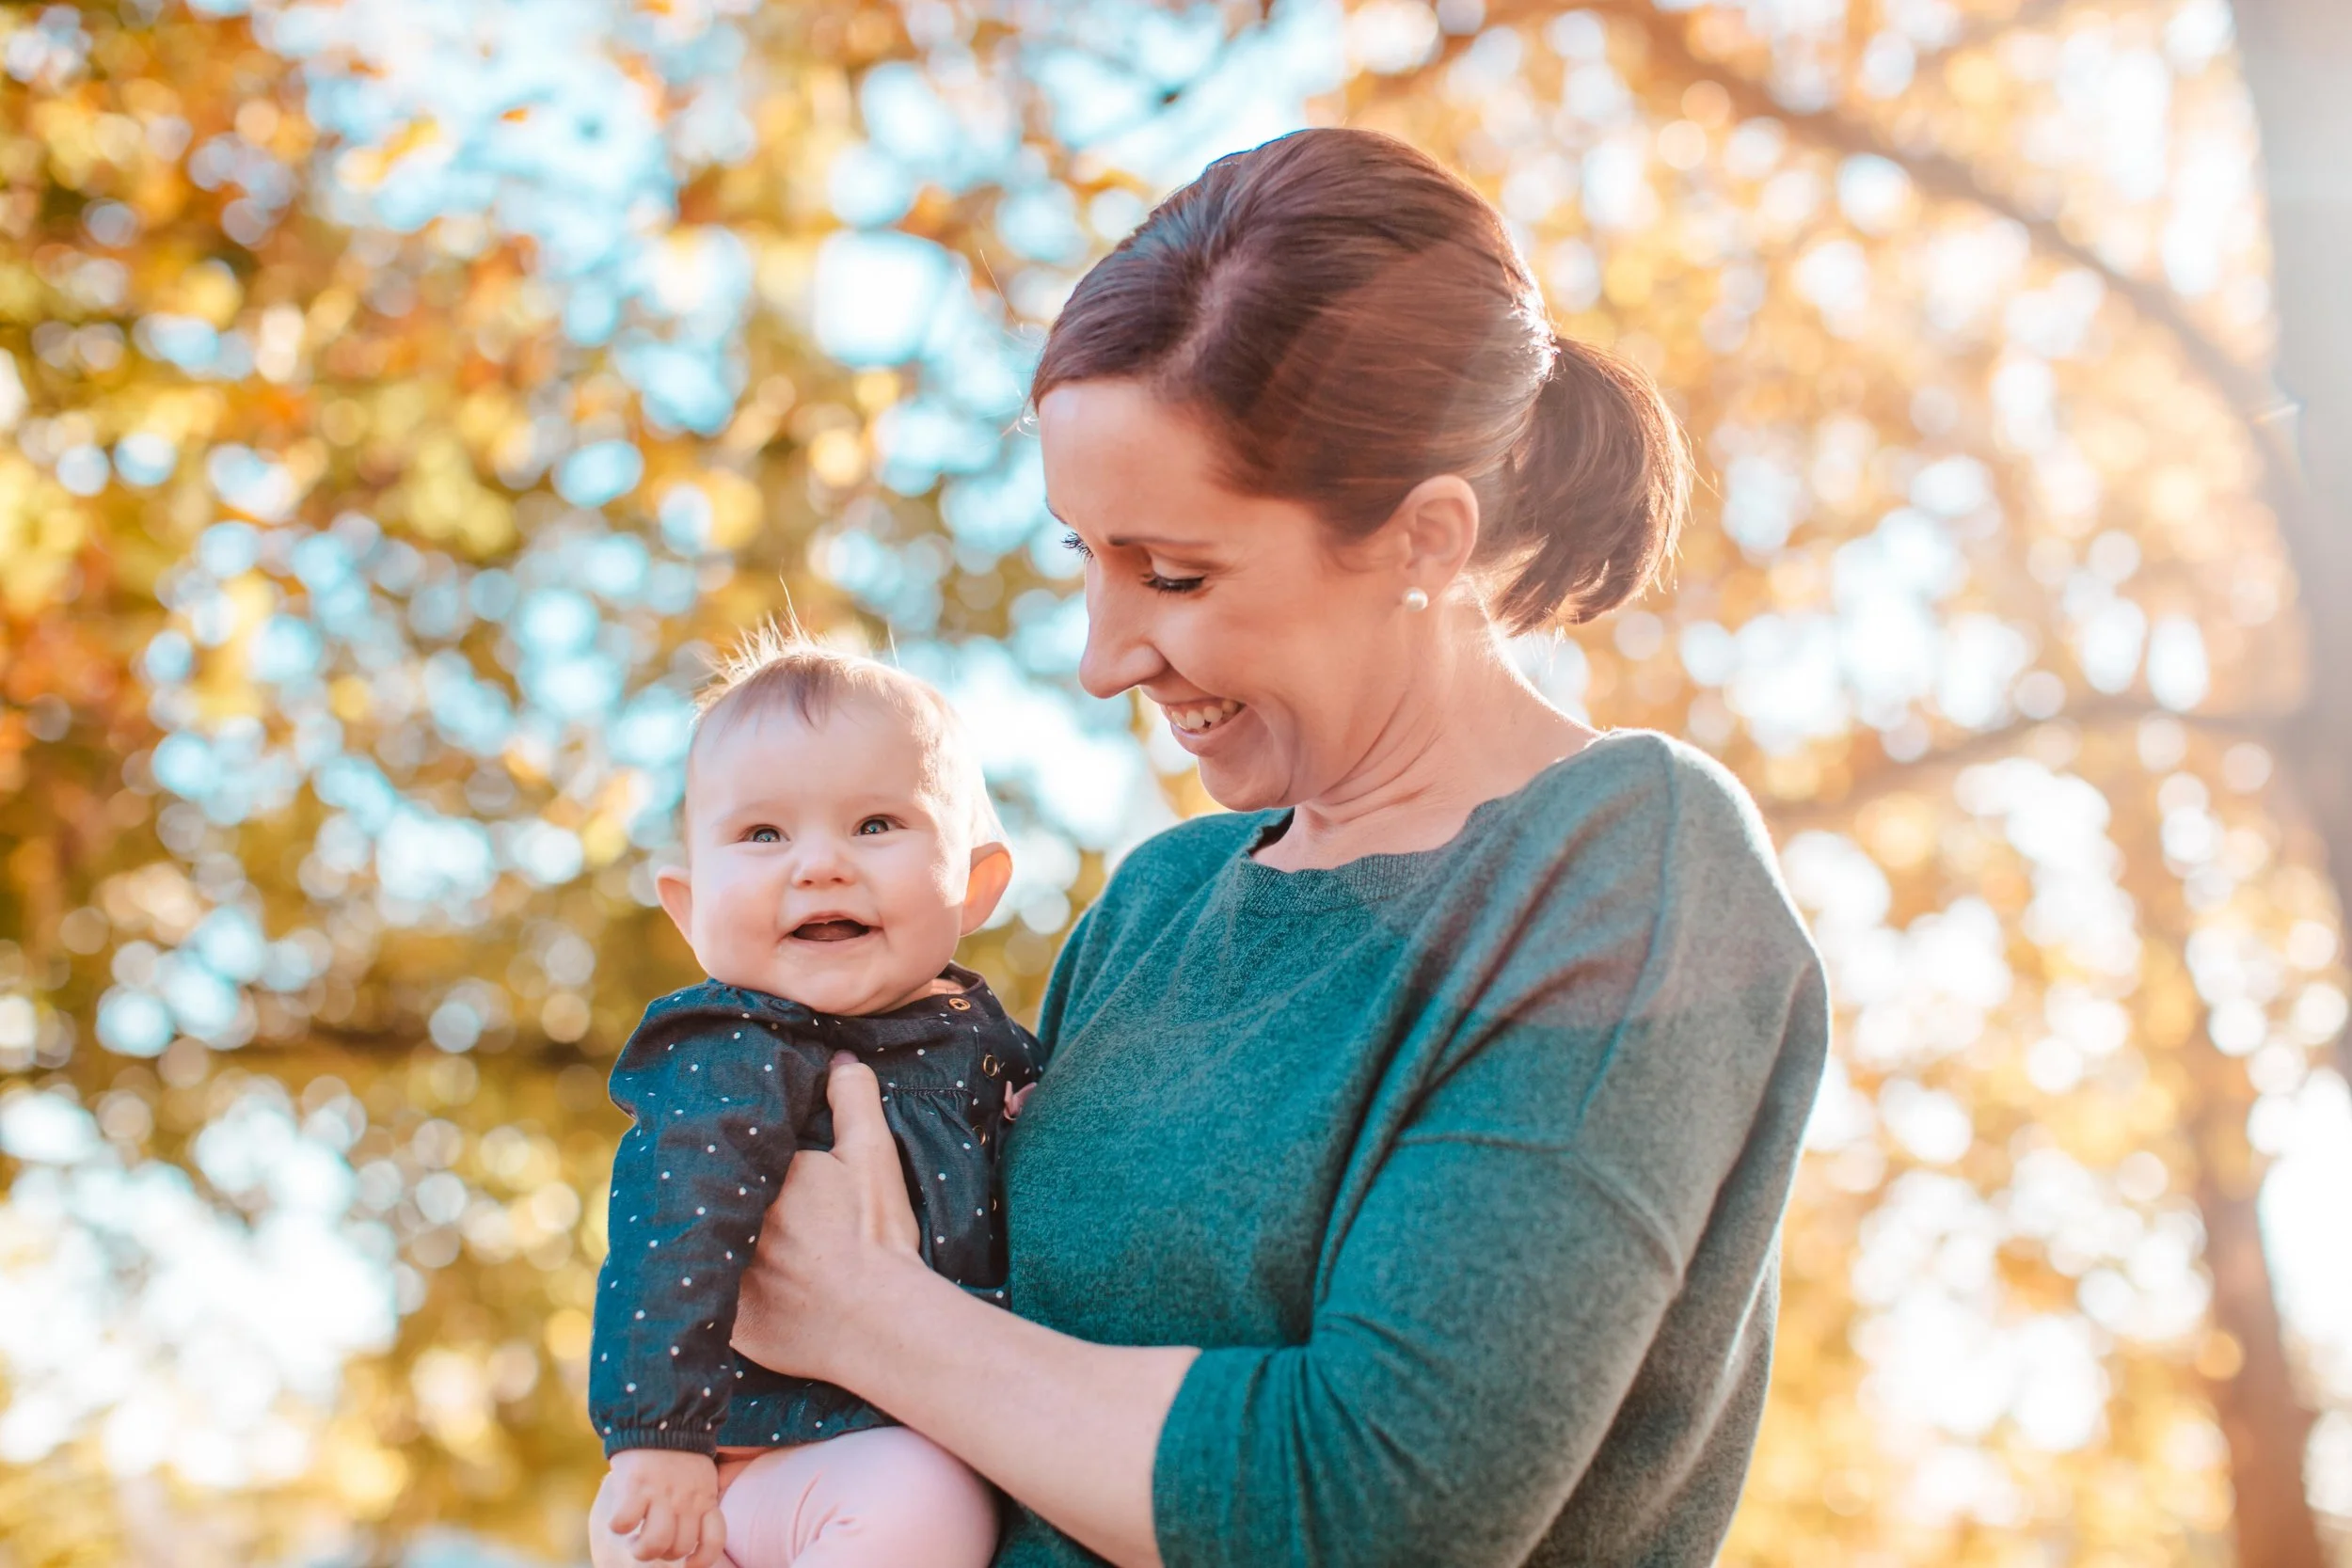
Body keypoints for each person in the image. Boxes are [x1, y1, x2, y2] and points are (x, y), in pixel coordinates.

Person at [724, 126, 1832, 1567]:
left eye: (1173, 573)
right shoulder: (1161, 904)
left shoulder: (1626, 870)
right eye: (1085, 555)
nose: (1106, 655)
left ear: (1428, 538)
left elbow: (1379, 1508)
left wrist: (869, 1312)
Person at [586, 627, 1042, 1568]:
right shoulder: (737, 1048)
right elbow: (673, 1227)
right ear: (689, 906)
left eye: (876, 824)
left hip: (910, 1428)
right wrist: (655, 1436)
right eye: (763, 834)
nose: (820, 864)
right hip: (743, 1465)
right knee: (921, 1500)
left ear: (977, 881)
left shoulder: (983, 1041)